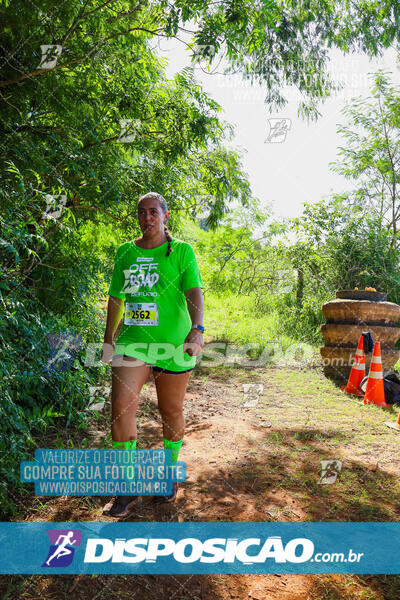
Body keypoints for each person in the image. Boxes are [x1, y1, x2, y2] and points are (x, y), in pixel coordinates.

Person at [101, 192, 204, 517]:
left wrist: (197, 330)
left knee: (170, 411)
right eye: (141, 212)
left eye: (153, 212)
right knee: (120, 409)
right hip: (132, 342)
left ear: (165, 216)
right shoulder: (125, 252)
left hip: (174, 344)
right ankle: (125, 487)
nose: (147, 218)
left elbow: (193, 292)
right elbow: (117, 298)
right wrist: (107, 339)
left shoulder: (182, 251)